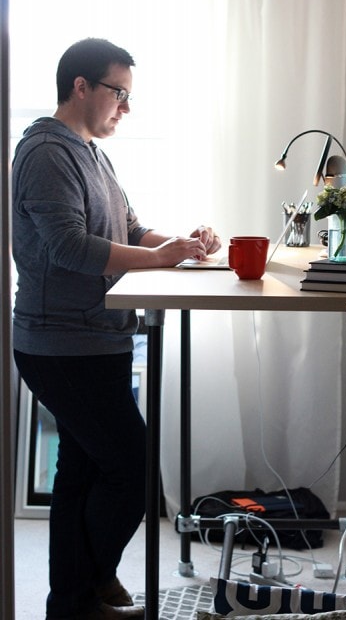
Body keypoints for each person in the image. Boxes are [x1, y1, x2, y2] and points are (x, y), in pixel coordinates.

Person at [12, 38, 221, 620]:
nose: (125, 109)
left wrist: (184, 245)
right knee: (130, 472)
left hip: (93, 338)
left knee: (81, 472)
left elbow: (131, 229)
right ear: (81, 86)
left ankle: (72, 601)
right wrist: (163, 258)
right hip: (61, 343)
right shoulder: (46, 153)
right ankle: (89, 585)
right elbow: (71, 248)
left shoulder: (94, 153)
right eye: (119, 94)